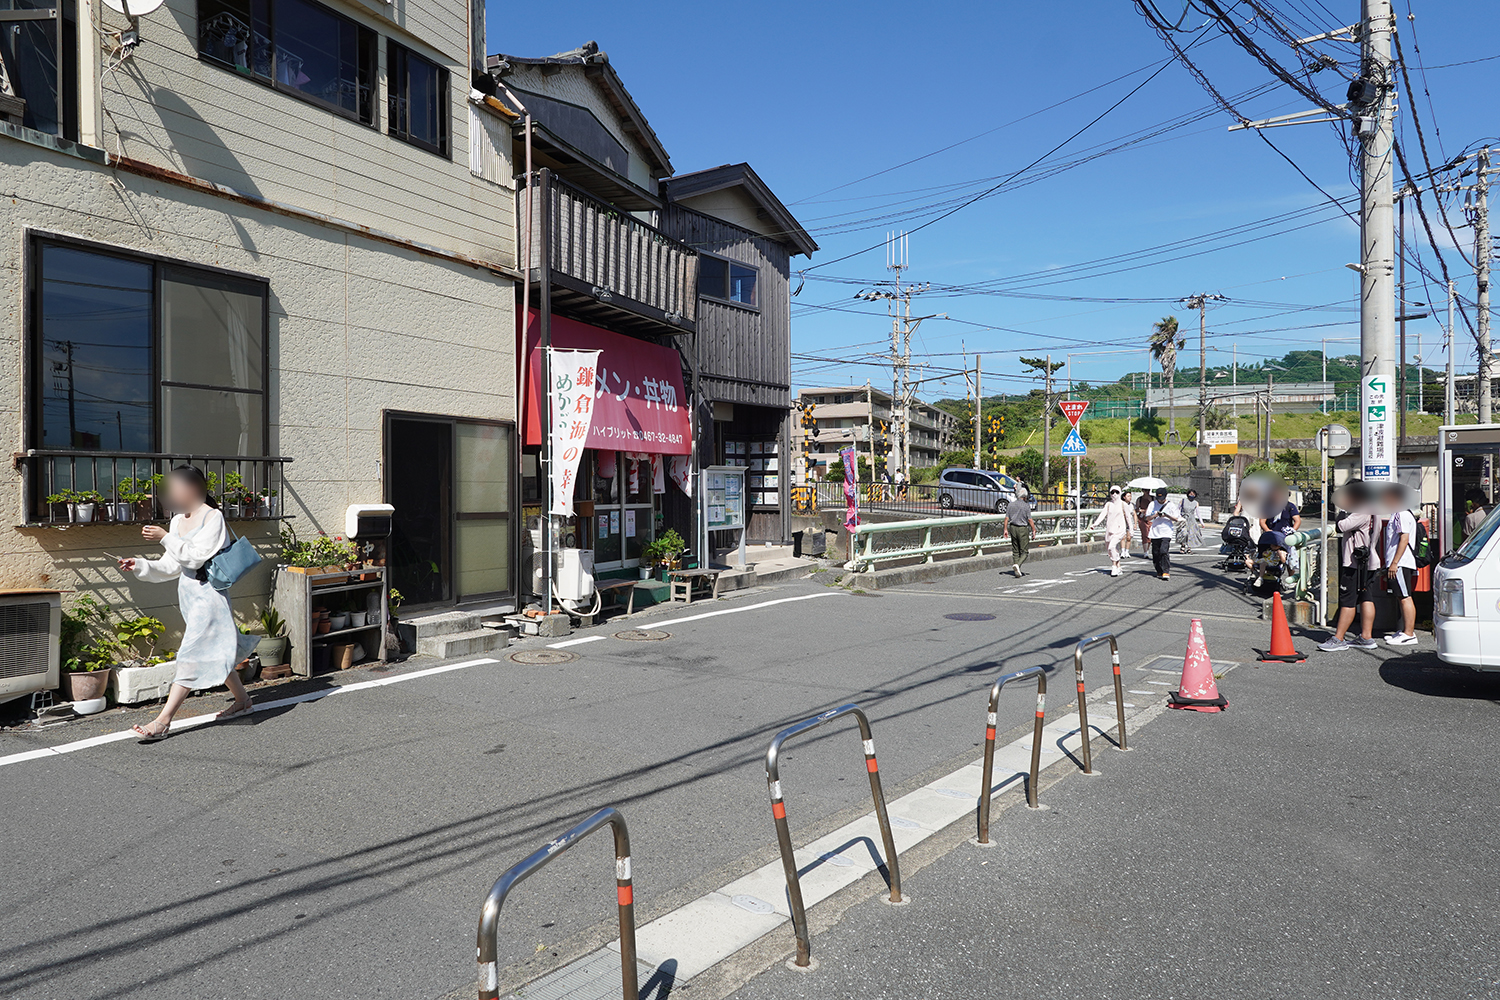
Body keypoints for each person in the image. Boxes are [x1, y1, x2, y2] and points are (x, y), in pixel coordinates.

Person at [117, 466, 260, 741]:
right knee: (215, 649)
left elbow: (195, 558)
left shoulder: (213, 517)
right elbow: (174, 564)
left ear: (193, 488)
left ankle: (162, 721)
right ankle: (243, 701)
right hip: (190, 595)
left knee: (190, 655)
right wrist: (140, 565)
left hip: (209, 596)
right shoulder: (176, 521)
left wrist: (164, 537)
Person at [1318, 486, 1380, 651]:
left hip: (1355, 564)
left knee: (1348, 600)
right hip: (1369, 561)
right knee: (1366, 597)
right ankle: (1366, 637)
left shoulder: (1361, 510)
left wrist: (1343, 510)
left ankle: (1339, 639)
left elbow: (1341, 526)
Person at [1380, 485, 1419, 646]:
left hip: (1401, 562)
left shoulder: (1401, 514)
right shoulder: (1400, 513)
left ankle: (1409, 634)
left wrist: (1394, 563)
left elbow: (1404, 539)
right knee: (1400, 596)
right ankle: (1404, 631)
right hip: (1398, 562)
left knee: (1405, 597)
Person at [1090, 486, 1132, 577]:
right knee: (1111, 548)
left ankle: (1114, 567)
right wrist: (1095, 524)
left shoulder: (1123, 504)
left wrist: (1131, 530)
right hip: (1110, 529)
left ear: (1120, 493)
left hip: (1120, 529)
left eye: (1116, 492)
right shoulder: (1108, 504)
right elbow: (1102, 514)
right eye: (1112, 492)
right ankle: (1118, 566)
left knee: (1112, 547)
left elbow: (1128, 517)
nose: (1114, 494)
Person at [1146, 487, 1183, 579]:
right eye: (1158, 499)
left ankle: (1166, 571)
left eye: (1162, 499)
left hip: (1166, 531)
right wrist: (1156, 515)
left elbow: (1176, 518)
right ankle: (1159, 570)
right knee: (1156, 553)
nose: (1160, 501)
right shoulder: (1152, 504)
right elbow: (1147, 518)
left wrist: (1166, 515)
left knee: (1164, 551)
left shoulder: (1171, 505)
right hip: (1155, 532)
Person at [1002, 488, 1037, 578]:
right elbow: (1030, 519)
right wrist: (1034, 529)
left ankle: (1016, 568)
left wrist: (1005, 529)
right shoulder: (1026, 506)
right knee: (1024, 551)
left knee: (1015, 550)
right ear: (1025, 497)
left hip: (1012, 527)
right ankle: (1017, 565)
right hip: (1022, 528)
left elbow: (1006, 518)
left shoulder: (1011, 505)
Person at [1178, 488, 1204, 554]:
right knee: (1183, 533)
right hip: (1183, 519)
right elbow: (1178, 509)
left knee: (1191, 534)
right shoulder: (1183, 501)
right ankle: (1183, 545)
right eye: (1190, 494)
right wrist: (1178, 517)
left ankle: (1189, 548)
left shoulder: (1196, 503)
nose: (1191, 495)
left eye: (1193, 494)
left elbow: (1198, 513)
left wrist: (1201, 522)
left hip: (1192, 520)